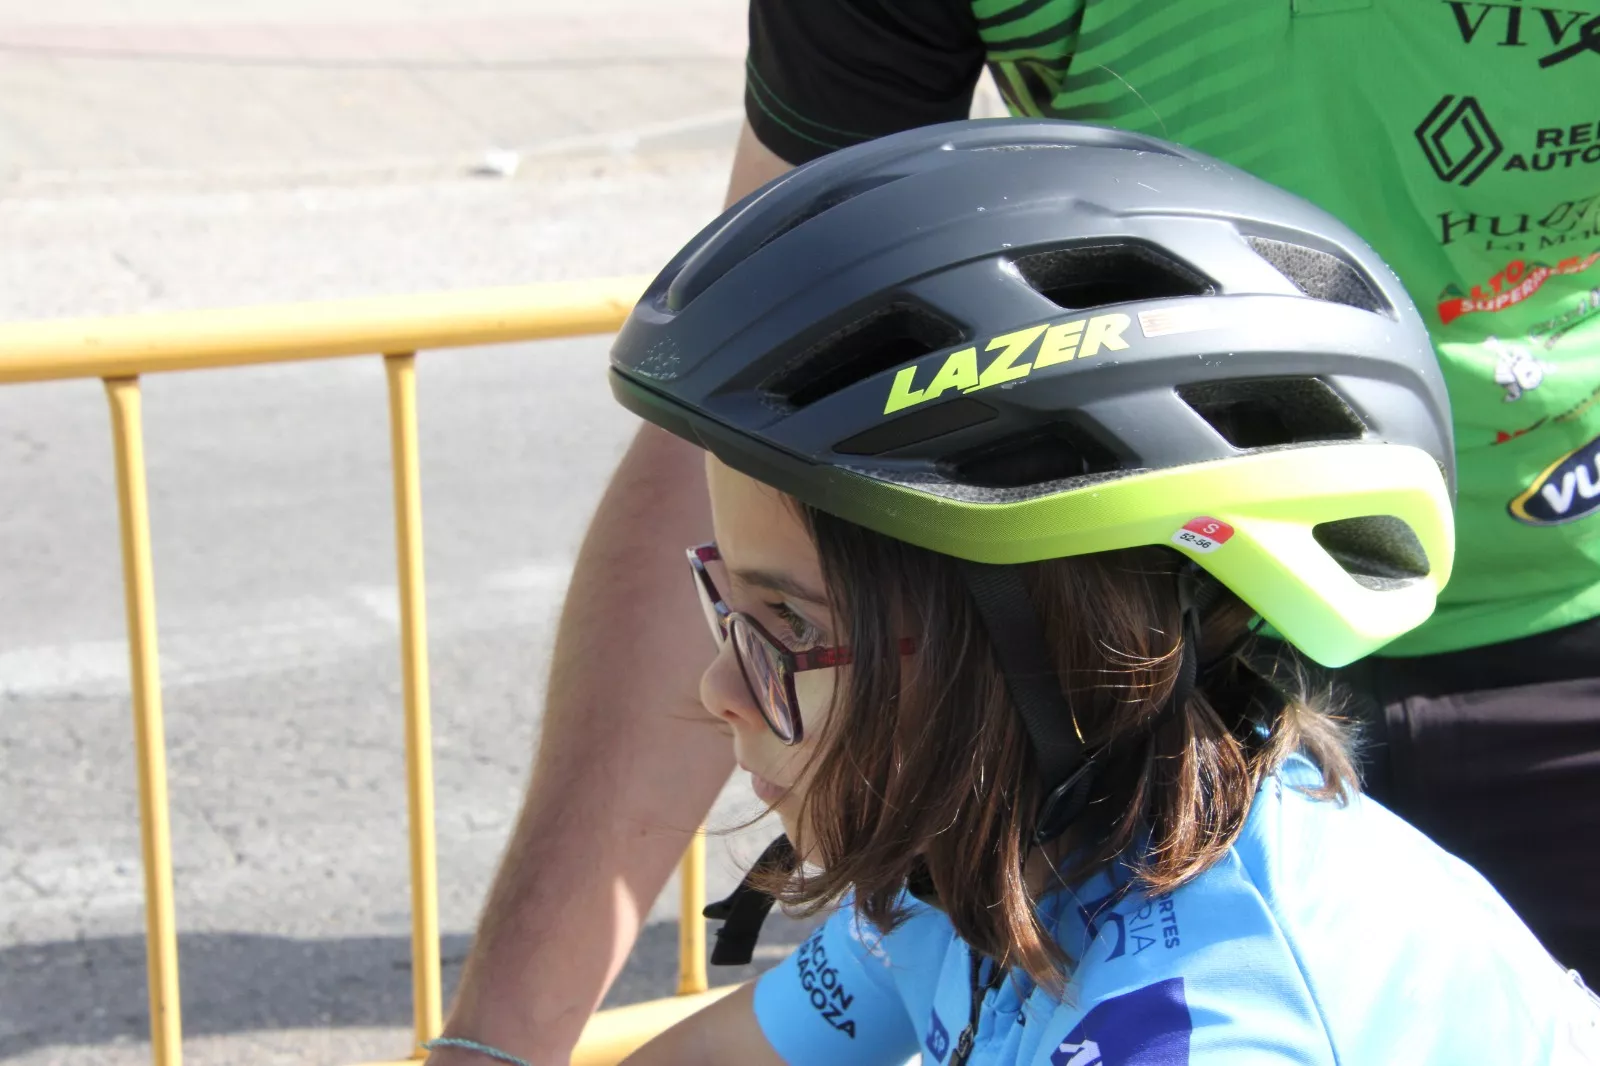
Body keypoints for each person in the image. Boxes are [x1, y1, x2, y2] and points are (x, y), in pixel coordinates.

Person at [429, 5, 1600, 1062]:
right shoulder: (989, 875)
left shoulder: (1203, 1026)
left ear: (1036, 647)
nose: (716, 686)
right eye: (729, 602)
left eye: (784, 623)